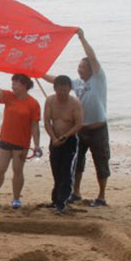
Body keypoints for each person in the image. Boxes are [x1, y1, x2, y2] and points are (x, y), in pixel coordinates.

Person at [43, 28, 108, 207]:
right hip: (80, 129)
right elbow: (56, 81)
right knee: (77, 163)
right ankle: (76, 192)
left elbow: (92, 56)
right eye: (79, 66)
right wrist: (38, 72)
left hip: (98, 128)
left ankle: (101, 196)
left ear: (91, 69)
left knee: (101, 161)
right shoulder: (75, 83)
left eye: (83, 67)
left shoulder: (98, 78)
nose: (80, 69)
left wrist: (82, 38)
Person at [0, 73, 41, 209]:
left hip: (21, 143)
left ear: (24, 86)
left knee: (17, 171)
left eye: (15, 84)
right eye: (12, 83)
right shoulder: (9, 97)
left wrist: (36, 145)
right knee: (0, 170)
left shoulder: (33, 103)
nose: (13, 86)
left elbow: (34, 126)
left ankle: (16, 199)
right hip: (5, 140)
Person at [43, 75, 84, 213]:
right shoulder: (50, 100)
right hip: (54, 140)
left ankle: (62, 201)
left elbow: (79, 124)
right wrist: (53, 138)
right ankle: (55, 200)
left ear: (69, 89)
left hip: (70, 140)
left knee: (67, 171)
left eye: (65, 90)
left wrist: (66, 136)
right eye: (59, 90)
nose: (62, 93)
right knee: (56, 171)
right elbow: (47, 122)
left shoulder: (75, 103)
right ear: (55, 89)